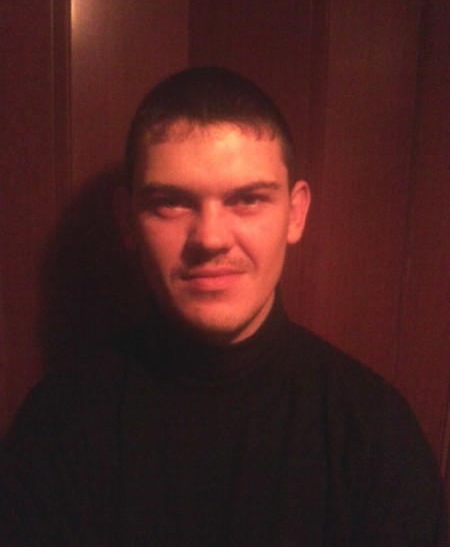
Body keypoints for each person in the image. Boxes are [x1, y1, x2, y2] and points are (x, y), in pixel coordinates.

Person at [0, 67, 447, 546]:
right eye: (171, 203)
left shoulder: (376, 433)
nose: (210, 239)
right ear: (127, 220)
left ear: (295, 214)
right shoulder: (58, 424)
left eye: (248, 199)